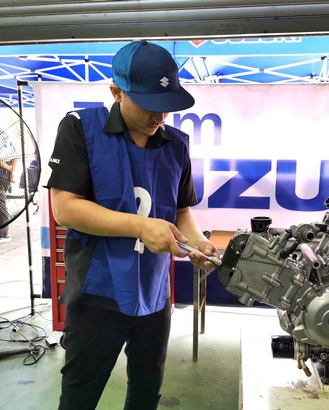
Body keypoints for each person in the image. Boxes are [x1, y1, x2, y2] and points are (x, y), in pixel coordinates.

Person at [45, 40, 220, 410]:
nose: (159, 117)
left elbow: (181, 210)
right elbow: (65, 208)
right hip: (98, 291)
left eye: (166, 106)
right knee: (81, 392)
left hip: (153, 292)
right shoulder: (81, 128)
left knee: (146, 386)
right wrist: (141, 227)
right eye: (148, 105)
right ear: (116, 92)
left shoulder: (176, 144)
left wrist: (197, 242)